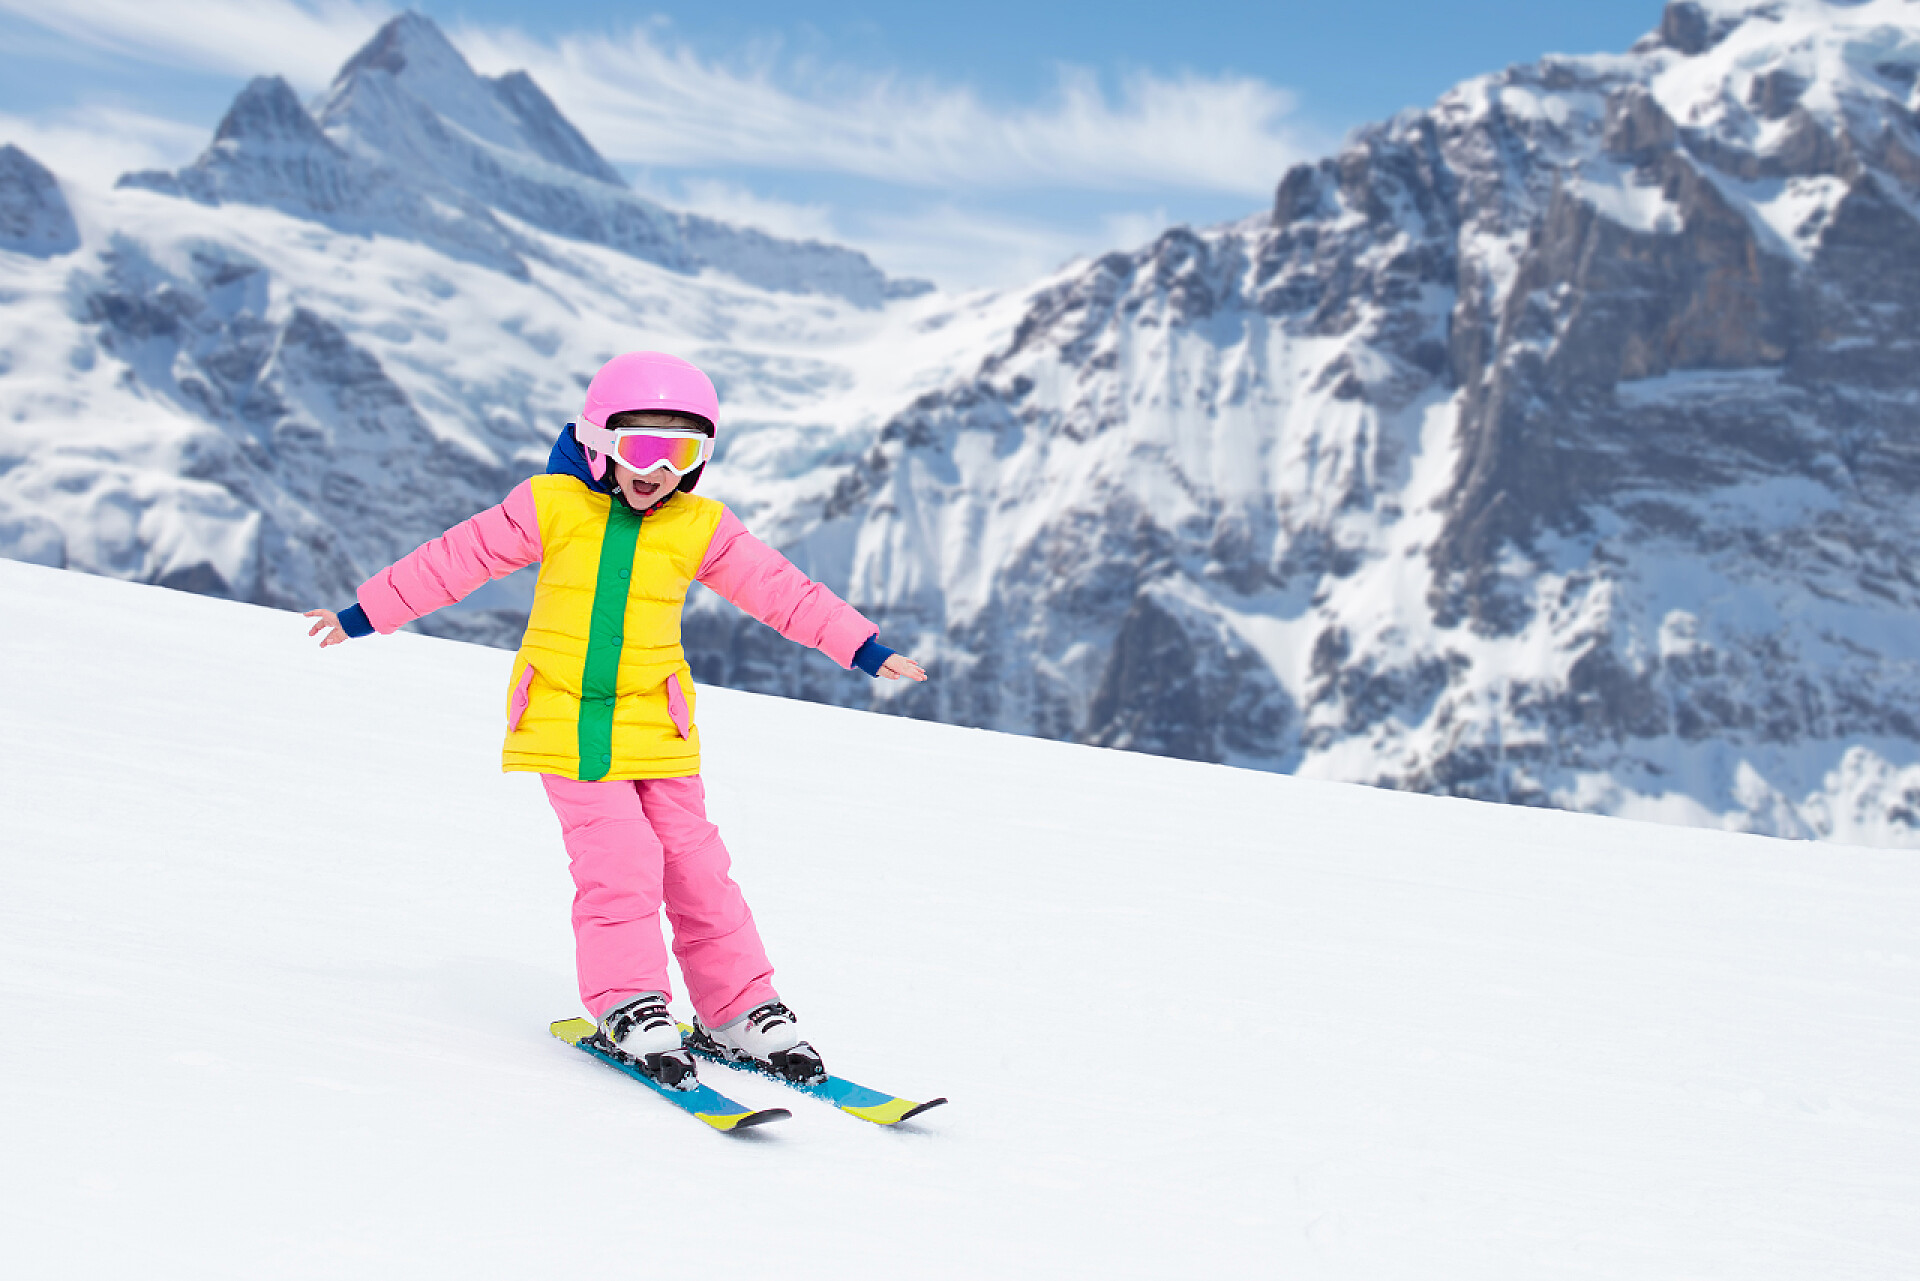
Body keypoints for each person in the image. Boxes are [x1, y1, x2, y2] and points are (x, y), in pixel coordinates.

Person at [303, 351, 926, 1089]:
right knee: (622, 858)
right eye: (639, 447)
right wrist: (364, 613)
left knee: (697, 866)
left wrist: (861, 644)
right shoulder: (551, 506)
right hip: (564, 720)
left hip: (656, 727)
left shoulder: (701, 526)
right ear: (599, 440)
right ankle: (629, 1001)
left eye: (680, 452)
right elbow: (455, 559)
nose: (656, 469)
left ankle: (739, 1007)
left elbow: (781, 591)